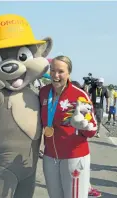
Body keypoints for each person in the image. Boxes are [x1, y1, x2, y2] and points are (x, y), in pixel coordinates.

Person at [40, 56, 97, 198]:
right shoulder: (43, 93)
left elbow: (93, 129)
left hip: (74, 156)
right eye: (52, 70)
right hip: (50, 156)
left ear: (69, 73)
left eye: (61, 71)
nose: (55, 75)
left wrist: (83, 126)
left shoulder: (79, 95)